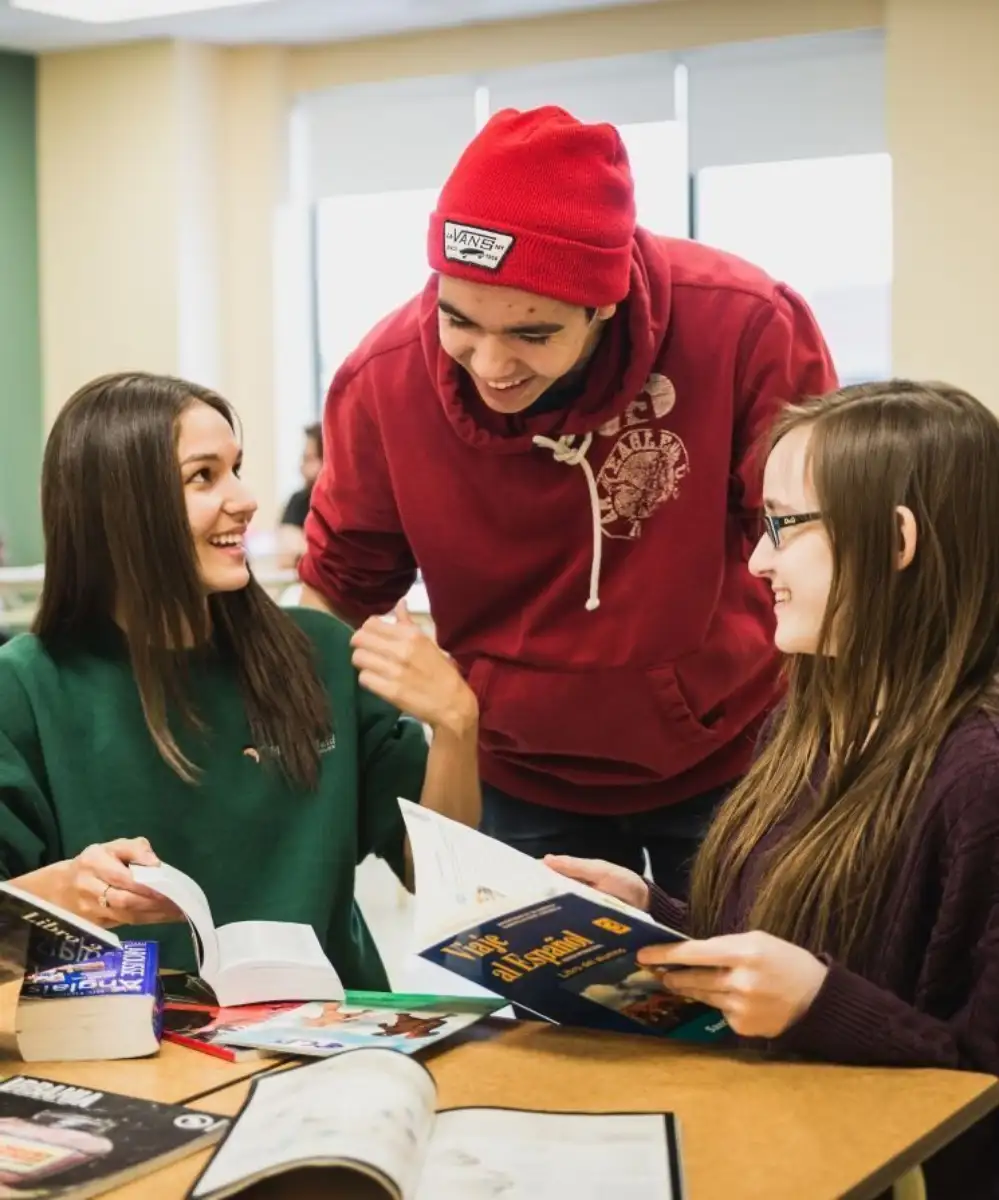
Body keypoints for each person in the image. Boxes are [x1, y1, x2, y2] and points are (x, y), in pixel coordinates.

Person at [298, 104, 837, 897]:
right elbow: (337, 591)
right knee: (545, 1015)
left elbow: (819, 538)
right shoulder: (381, 381)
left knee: (748, 997)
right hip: (519, 770)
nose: (489, 362)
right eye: (459, 322)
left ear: (604, 302)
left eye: (532, 334)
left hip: (737, 748)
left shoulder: (744, 326)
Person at [548, 380, 999, 1199]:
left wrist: (818, 1005)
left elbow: (978, 1078)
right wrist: (649, 912)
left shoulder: (980, 772)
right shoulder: (806, 719)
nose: (758, 560)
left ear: (895, 539)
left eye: (784, 526)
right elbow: (783, 948)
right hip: (761, 1140)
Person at [0, 372, 480, 991]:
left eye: (237, 467)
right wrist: (60, 890)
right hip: (131, 1045)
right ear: (119, 509)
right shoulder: (27, 687)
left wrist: (455, 725)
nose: (246, 498)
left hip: (336, 1043)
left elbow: (448, 887)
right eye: (204, 476)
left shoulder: (323, 653)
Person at [276, 422, 323, 569]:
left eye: (309, 459)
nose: (301, 466)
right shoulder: (299, 501)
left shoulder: (350, 505)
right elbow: (287, 556)